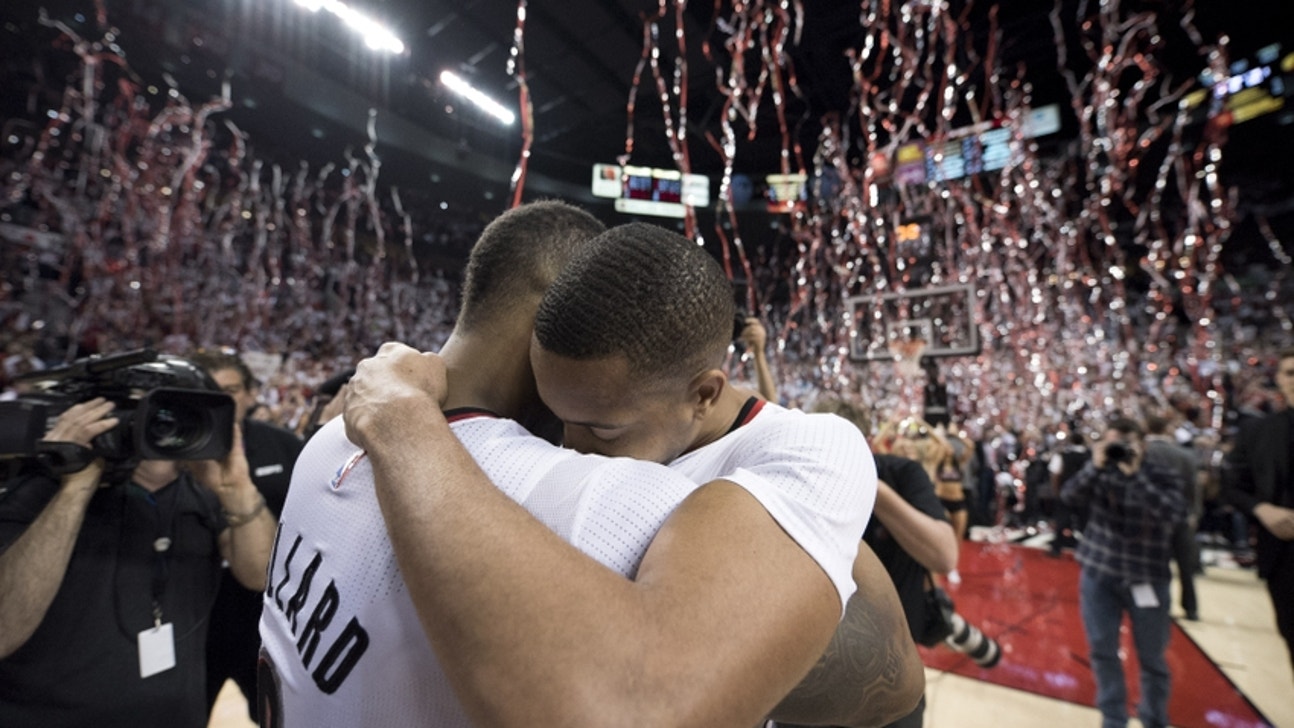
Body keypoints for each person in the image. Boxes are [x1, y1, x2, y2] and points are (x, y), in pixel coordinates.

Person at [328, 217, 921, 727]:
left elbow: (654, 701)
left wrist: (404, 423)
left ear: (703, 394)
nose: (570, 445)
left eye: (602, 429)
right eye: (556, 415)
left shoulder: (810, 449)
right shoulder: (610, 409)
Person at [0, 359, 275, 728]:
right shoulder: (39, 492)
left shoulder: (202, 495)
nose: (167, 424)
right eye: (155, 411)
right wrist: (76, 483)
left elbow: (259, 575)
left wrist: (236, 488)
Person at [186, 349, 304, 722]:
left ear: (252, 394)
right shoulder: (166, 452)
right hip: (191, 620)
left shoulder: (284, 446)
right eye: (207, 390)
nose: (221, 400)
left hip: (263, 621)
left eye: (231, 390)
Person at [1061, 417, 1187, 728]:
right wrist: (1095, 465)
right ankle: (1113, 719)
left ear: (1141, 444)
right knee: (1103, 651)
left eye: (1125, 444)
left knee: (1153, 659)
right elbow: (1069, 497)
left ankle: (1154, 719)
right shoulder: (1101, 472)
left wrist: (1135, 477)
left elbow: (1173, 515)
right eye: (1112, 443)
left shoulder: (1162, 474)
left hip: (1148, 576)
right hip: (1099, 575)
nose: (1119, 450)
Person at [1223, 346, 1294, 672]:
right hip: (1282, 557)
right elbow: (1231, 485)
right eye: (1290, 373)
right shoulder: (1260, 431)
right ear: (1279, 380)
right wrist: (1262, 509)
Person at [1142, 412, 1202, 620]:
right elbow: (1194, 488)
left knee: (1154, 565)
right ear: (1166, 429)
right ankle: (1191, 608)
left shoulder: (1143, 451)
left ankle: (1156, 606)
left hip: (1149, 517)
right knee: (1186, 567)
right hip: (1181, 516)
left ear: (1147, 428)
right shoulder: (1185, 455)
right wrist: (1194, 513)